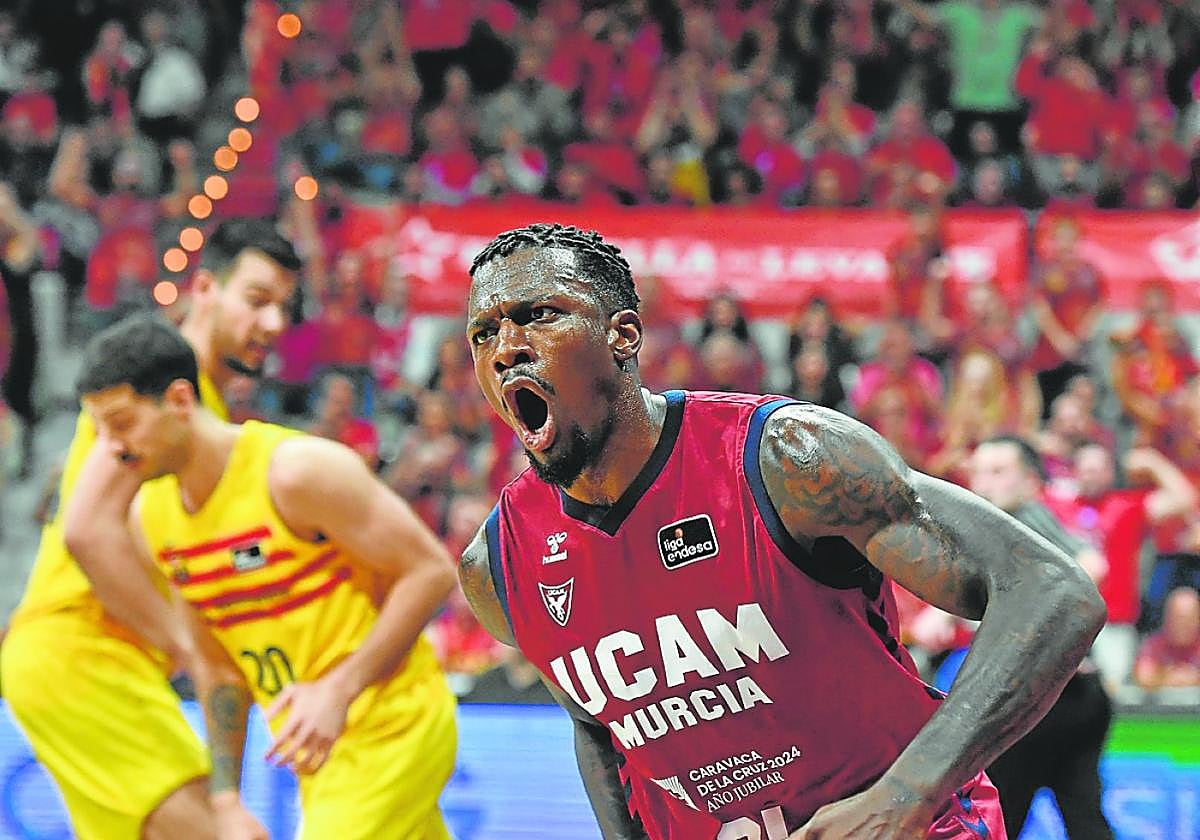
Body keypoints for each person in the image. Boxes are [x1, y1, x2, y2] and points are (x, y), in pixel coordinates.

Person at [458, 223, 1105, 839]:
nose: (506, 348)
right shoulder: (499, 566)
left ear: (622, 335)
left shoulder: (786, 458)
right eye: (483, 333)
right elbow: (599, 728)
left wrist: (905, 796)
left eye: (539, 315)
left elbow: (1052, 592)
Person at [75, 315, 459, 839]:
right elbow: (218, 670)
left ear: (181, 400)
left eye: (121, 424)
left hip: (391, 724)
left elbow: (431, 571)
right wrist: (226, 800)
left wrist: (339, 689)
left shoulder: (295, 472)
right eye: (99, 430)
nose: (111, 447)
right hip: (317, 751)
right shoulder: (153, 519)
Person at [0, 219, 301, 839]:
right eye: (257, 300)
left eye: (285, 308)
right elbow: (89, 530)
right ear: (205, 288)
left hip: (89, 662)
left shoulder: (201, 407)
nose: (274, 324)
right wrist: (191, 647)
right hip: (81, 654)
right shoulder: (152, 387)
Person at [966, 436, 1115, 839]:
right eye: (978, 471)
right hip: (1064, 696)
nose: (984, 482)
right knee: (1082, 819)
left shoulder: (1025, 518)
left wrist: (1034, 630)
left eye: (999, 471)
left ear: (1031, 481)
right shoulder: (991, 532)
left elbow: (1092, 566)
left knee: (998, 818)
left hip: (1046, 697)